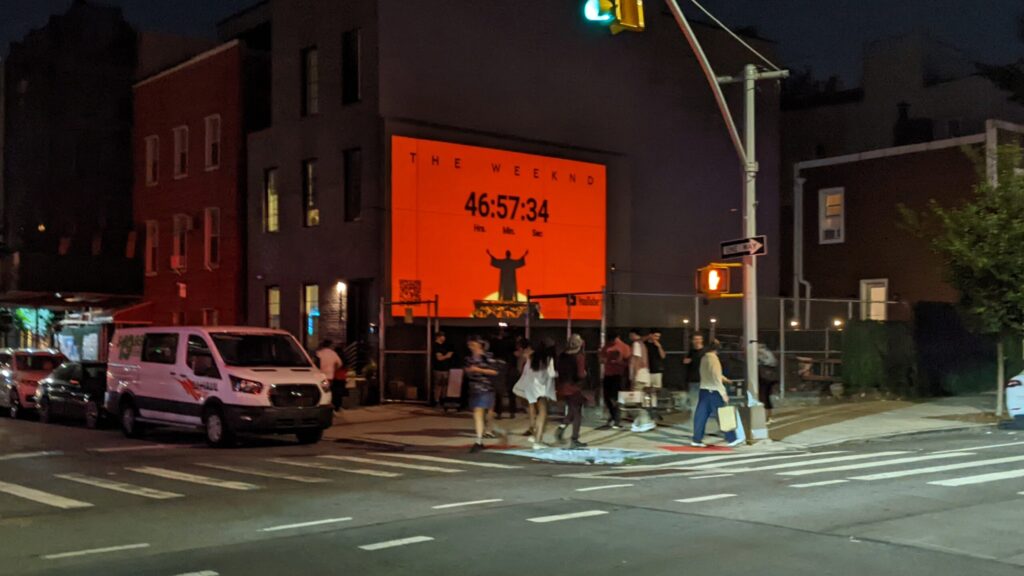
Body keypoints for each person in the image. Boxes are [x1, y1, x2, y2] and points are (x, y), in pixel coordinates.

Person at [691, 340, 743, 448]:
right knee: (722, 415)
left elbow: (712, 374)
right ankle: (731, 439)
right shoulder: (714, 359)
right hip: (714, 391)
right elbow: (716, 376)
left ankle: (696, 439)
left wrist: (725, 379)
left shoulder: (704, 358)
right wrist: (723, 393)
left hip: (704, 390)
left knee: (701, 416)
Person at [513, 337, 557, 449]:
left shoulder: (531, 359)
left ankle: (535, 435)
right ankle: (538, 440)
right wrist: (557, 374)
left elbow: (525, 373)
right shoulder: (547, 359)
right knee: (543, 414)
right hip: (542, 389)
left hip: (531, 389)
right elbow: (551, 374)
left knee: (535, 412)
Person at [464, 335, 501, 453]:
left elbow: (495, 371)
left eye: (473, 344)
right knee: (478, 413)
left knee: (479, 412)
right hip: (473, 388)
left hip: (486, 388)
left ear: (479, 345)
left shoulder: (488, 357)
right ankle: (480, 437)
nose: (471, 347)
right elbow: (466, 371)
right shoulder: (469, 358)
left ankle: (480, 439)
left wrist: (478, 370)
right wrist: (469, 371)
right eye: (470, 345)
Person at [554, 334, 588, 450]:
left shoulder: (562, 355)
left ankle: (561, 429)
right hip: (574, 386)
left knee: (572, 411)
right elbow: (580, 374)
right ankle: (574, 439)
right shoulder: (579, 356)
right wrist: (585, 374)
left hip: (562, 386)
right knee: (577, 413)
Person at [598, 332, 630, 430]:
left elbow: (628, 361)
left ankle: (617, 419)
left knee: (615, 398)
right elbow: (601, 360)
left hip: (618, 375)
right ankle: (612, 416)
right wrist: (604, 358)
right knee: (607, 397)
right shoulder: (606, 346)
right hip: (608, 374)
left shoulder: (624, 347)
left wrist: (619, 362)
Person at [490, 327, 518, 419]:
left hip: (504, 366)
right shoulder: (510, 342)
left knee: (503, 390)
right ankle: (509, 411)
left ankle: (502, 412)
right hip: (507, 366)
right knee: (507, 391)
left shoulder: (500, 342)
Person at [315, 340, 344, 412]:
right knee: (328, 391)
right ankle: (329, 406)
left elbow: (314, 363)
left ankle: (322, 405)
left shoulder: (319, 353)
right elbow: (339, 364)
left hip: (321, 376)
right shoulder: (333, 353)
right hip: (330, 376)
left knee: (322, 391)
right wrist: (334, 368)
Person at [683, 332, 707, 409]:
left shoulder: (705, 352)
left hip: (703, 379)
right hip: (693, 379)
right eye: (695, 339)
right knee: (694, 401)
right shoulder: (691, 352)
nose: (697, 341)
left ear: (702, 340)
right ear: (692, 341)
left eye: (699, 339)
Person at [757, 343, 779, 423]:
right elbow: (774, 362)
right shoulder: (769, 353)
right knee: (767, 397)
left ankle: (765, 417)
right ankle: (769, 417)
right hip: (769, 378)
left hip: (763, 378)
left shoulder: (760, 353)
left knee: (763, 397)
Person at [432, 332, 454, 406]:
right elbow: (439, 358)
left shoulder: (444, 346)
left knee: (444, 385)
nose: (444, 338)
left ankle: (443, 400)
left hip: (445, 368)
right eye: (443, 336)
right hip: (438, 369)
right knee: (438, 385)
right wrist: (447, 356)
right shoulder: (436, 346)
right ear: (438, 337)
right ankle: (436, 401)